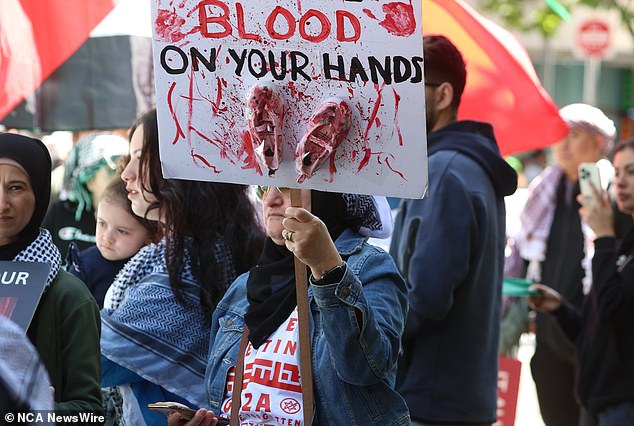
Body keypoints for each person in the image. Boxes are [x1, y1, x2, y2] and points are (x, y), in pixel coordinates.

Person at [164, 187, 408, 426]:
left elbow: (363, 369)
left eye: (286, 186)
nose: (270, 199)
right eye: (263, 187)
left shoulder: (368, 268)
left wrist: (328, 269)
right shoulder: (244, 286)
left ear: (328, 193)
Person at [100, 109, 265, 426]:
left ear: (180, 167)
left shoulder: (189, 263)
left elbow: (101, 361)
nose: (127, 173)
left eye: (140, 157)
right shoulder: (212, 246)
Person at [389, 35, 518, 426]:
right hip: (451, 398)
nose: (397, 104)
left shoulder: (445, 172)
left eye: (410, 90)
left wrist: (364, 333)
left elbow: (424, 299)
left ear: (443, 95)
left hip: (428, 402)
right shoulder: (461, 167)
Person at [505, 103, 617, 426]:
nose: (562, 145)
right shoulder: (545, 191)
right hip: (550, 339)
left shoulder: (615, 192)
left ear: (598, 144)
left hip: (597, 345)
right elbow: (522, 256)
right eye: (558, 136)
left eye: (574, 136)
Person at [528, 138, 634, 426]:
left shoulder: (611, 234)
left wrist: (602, 237)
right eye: (619, 171)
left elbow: (613, 310)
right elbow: (596, 328)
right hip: (596, 399)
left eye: (632, 172)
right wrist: (560, 308)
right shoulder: (549, 194)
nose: (621, 182)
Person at [0, 132, 103, 416]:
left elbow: (91, 411)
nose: (2, 202)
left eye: (16, 187)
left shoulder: (68, 296)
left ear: (41, 193)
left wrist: (27, 411)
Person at [67, 177, 160, 308]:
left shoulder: (154, 268)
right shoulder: (83, 266)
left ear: (150, 235)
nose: (107, 237)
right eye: (102, 224)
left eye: (122, 231)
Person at [43, 133, 129, 254]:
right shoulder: (60, 212)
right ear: (89, 180)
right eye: (113, 170)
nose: (123, 177)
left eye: (126, 168)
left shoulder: (134, 216)